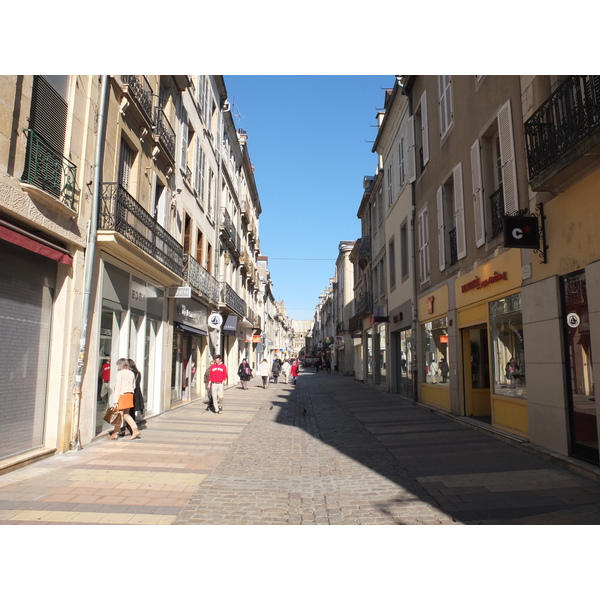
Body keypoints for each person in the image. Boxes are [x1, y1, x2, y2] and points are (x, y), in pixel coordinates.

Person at [108, 358, 141, 440]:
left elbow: (118, 387)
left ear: (120, 365)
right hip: (130, 394)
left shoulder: (120, 373)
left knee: (122, 414)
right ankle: (115, 433)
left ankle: (135, 430)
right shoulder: (131, 373)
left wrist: (116, 400)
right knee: (124, 414)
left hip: (122, 394)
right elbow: (134, 386)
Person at [119, 359, 145, 437]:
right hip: (136, 393)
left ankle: (130, 429)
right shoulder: (138, 373)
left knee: (127, 412)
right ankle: (130, 429)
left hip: (130, 393)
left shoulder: (130, 373)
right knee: (130, 412)